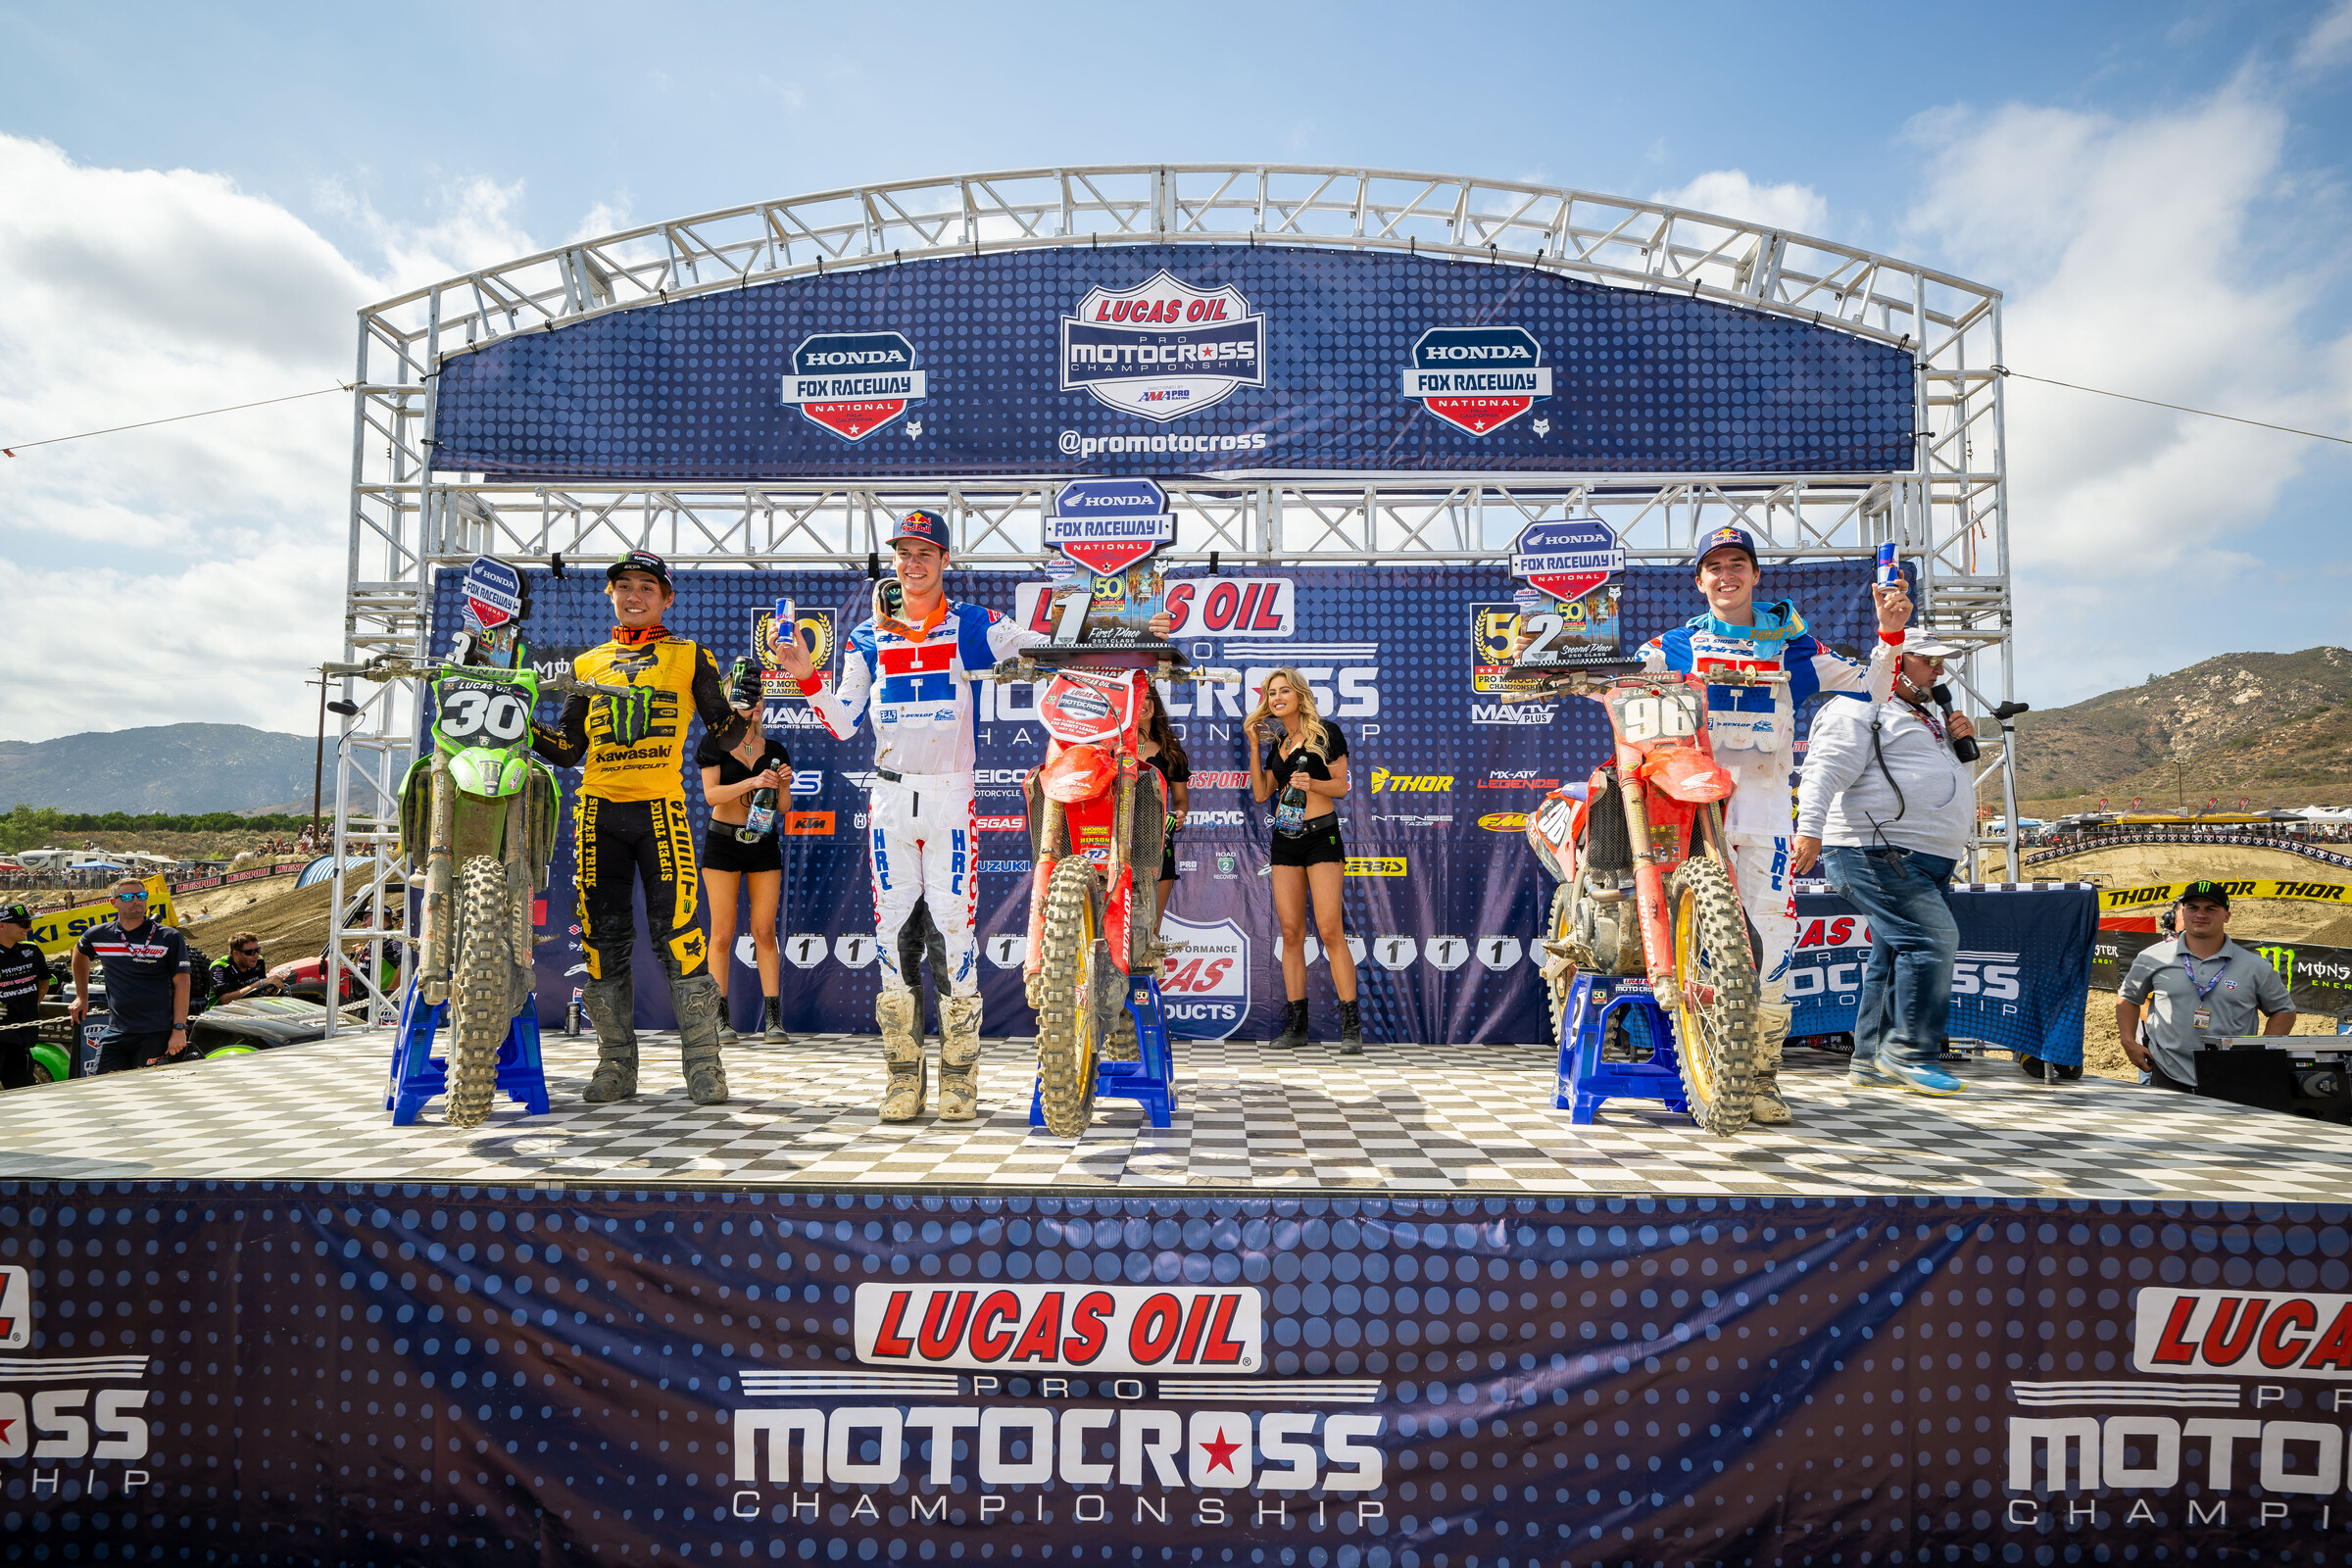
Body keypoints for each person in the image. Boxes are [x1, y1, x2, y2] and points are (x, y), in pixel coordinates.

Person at [770, 509, 1171, 1121]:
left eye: (925, 551)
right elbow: (844, 720)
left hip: (950, 796)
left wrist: (1137, 624)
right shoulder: (864, 640)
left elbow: (1049, 645)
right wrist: (806, 679)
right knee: (887, 936)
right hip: (888, 800)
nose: (913, 562)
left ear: (946, 560)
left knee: (956, 933)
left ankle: (960, 1078)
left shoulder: (970, 626)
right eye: (903, 552)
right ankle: (902, 1078)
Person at [1630, 524, 1911, 1122]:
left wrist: (1890, 632)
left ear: (1756, 575)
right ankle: (1702, 1065)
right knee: (1695, 936)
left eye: (1738, 564)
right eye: (1714, 566)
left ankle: (1761, 1076)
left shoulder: (1791, 644)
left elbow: (1874, 686)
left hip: (1761, 804)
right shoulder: (1670, 646)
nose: (1726, 575)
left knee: (1772, 934)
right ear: (1699, 580)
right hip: (1688, 804)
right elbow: (1625, 694)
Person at [531, 549, 771, 1106]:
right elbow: (567, 751)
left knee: (681, 937)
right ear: (609, 594)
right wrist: (519, 725)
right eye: (624, 586)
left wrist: (748, 714)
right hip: (596, 816)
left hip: (660, 813)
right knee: (600, 942)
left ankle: (705, 1067)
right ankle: (615, 1065)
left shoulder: (689, 656)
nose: (634, 596)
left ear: (667, 598)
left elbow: (723, 734)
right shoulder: (586, 666)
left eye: (647, 587)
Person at [1790, 630, 1979, 1096]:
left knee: (1895, 950)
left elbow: (1945, 785)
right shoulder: (1856, 706)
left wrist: (1963, 750)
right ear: (1895, 661)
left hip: (1924, 854)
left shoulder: (1926, 715)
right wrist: (1809, 830)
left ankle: (1871, 1058)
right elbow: (1822, 770)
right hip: (1874, 849)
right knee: (1932, 940)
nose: (1938, 669)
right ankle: (1908, 1052)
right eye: (1927, 659)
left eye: (1941, 661)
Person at [1246, 667, 1361, 1054]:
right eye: (1271, 693)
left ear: (1299, 695)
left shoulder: (1326, 733)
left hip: (1321, 838)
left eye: (1283, 691)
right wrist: (1252, 744)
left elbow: (1342, 786)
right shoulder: (1277, 741)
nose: (1277, 697)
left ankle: (1351, 1026)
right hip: (1285, 840)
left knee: (1330, 931)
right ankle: (1297, 1026)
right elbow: (1262, 794)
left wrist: (1312, 783)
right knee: (1291, 933)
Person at [2117, 881, 2294, 1092]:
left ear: (2226, 916)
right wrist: (2128, 1041)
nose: (2201, 914)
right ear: (2182, 912)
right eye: (2193, 907)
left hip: (2233, 1076)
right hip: (2168, 1074)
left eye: (2211, 908)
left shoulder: (2255, 967)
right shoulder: (2152, 957)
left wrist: (2261, 1053)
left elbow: (2284, 1010)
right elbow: (2127, 998)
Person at [698, 719, 792, 1046]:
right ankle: (720, 1019)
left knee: (764, 931)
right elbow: (711, 796)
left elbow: (784, 807)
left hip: (763, 843)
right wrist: (753, 780)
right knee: (721, 934)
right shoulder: (714, 743)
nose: (753, 704)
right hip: (722, 843)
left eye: (758, 697)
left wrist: (781, 785)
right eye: (745, 696)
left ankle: (774, 1020)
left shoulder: (775, 749)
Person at [69, 878, 193, 1073]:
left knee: (149, 1094)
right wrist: (81, 996)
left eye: (141, 896)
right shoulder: (99, 935)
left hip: (156, 1032)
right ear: (113, 902)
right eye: (127, 897)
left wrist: (179, 1029)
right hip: (116, 1031)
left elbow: (183, 983)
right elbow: (79, 953)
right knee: (102, 1088)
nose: (136, 901)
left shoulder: (169, 936)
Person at [0, 904, 48, 1090]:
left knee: (24, 1094)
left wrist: (35, 1002)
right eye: (22, 924)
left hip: (23, 1037)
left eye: (29, 923)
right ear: (1, 925)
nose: (28, 928)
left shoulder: (31, 951)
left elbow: (45, 979)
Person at [210, 932, 282, 1003]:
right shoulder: (220, 968)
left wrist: (271, 989)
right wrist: (260, 983)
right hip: (220, 1012)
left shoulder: (259, 961)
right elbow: (226, 999)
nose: (256, 955)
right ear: (236, 953)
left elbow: (261, 991)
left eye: (257, 950)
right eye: (251, 952)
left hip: (249, 1007)